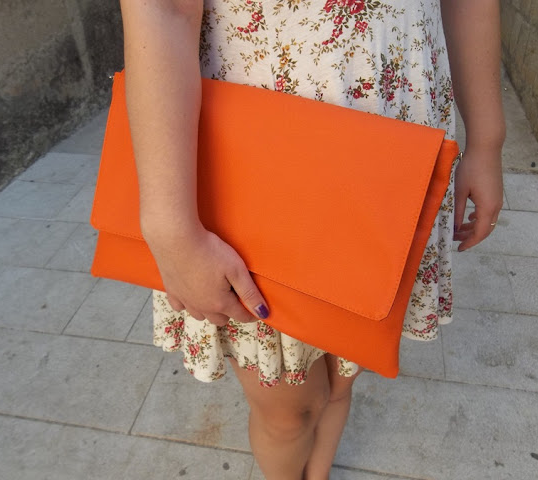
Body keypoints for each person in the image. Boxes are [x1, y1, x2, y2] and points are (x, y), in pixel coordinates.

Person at [119, 0, 505, 478]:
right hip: (259, 153)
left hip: (392, 133)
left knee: (343, 374)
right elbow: (162, 9)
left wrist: (487, 140)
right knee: (288, 412)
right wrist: (173, 231)